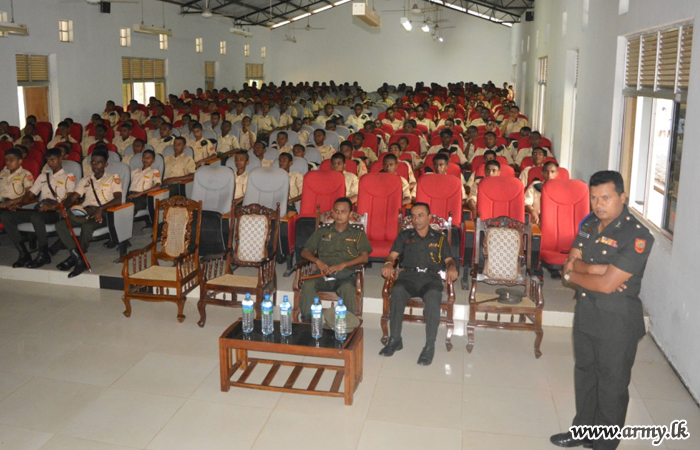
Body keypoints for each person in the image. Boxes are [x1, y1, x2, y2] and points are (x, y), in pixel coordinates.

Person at [550, 171, 654, 450]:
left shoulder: (637, 235)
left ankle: (603, 445)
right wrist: (594, 270)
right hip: (587, 313)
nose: (599, 204)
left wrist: (579, 273)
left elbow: (608, 285)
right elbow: (570, 263)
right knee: (585, 375)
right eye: (594, 198)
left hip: (616, 324)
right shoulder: (588, 223)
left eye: (606, 198)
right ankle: (582, 431)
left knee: (611, 388)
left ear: (622, 196)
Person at [379, 202, 458, 366]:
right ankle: (395, 339)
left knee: (433, 295)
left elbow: (449, 260)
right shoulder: (405, 236)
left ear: (429, 217)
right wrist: (388, 264)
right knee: (397, 291)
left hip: (431, 278)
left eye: (420, 215)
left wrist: (452, 268)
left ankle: (430, 346)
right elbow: (392, 256)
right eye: (413, 216)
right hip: (408, 276)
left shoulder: (439, 238)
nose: (416, 219)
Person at [298, 197, 372, 321]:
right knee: (308, 285)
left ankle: (347, 325)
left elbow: (364, 258)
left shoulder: (358, 234)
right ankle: (308, 322)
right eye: (336, 211)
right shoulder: (322, 231)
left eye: (343, 212)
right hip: (322, 274)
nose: (339, 215)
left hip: (346, 275)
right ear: (332, 212)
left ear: (350, 214)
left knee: (348, 289)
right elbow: (305, 251)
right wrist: (318, 261)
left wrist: (343, 265)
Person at [0, 148, 76, 268]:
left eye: (53, 160)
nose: (50, 163)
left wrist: (53, 206)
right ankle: (23, 253)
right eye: (48, 161)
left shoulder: (68, 177)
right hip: (40, 208)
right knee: (6, 216)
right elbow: (30, 194)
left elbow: (70, 198)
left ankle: (43, 254)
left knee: (36, 217)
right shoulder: (43, 176)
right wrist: (20, 204)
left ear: (60, 159)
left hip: (55, 211)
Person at [55, 148, 122, 278]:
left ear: (105, 164)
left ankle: (73, 259)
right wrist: (64, 207)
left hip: (104, 212)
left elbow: (118, 200)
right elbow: (72, 197)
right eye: (93, 162)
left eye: (99, 163)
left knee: (87, 227)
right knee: (60, 224)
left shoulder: (113, 178)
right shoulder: (85, 180)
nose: (95, 166)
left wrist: (100, 209)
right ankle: (78, 259)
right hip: (85, 211)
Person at [524, 161, 559, 226]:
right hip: (538, 220)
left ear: (556, 174)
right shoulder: (535, 186)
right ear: (542, 173)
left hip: (556, 221)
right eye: (546, 172)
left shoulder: (561, 189)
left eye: (552, 172)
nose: (549, 175)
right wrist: (532, 211)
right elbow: (526, 202)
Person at [127, 149, 162, 214]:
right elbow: (127, 183)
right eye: (144, 157)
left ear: (153, 160)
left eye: (148, 158)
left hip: (142, 197)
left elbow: (158, 187)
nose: (146, 159)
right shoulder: (135, 171)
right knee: (119, 209)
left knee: (129, 210)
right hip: (130, 195)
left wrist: (140, 193)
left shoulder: (154, 171)